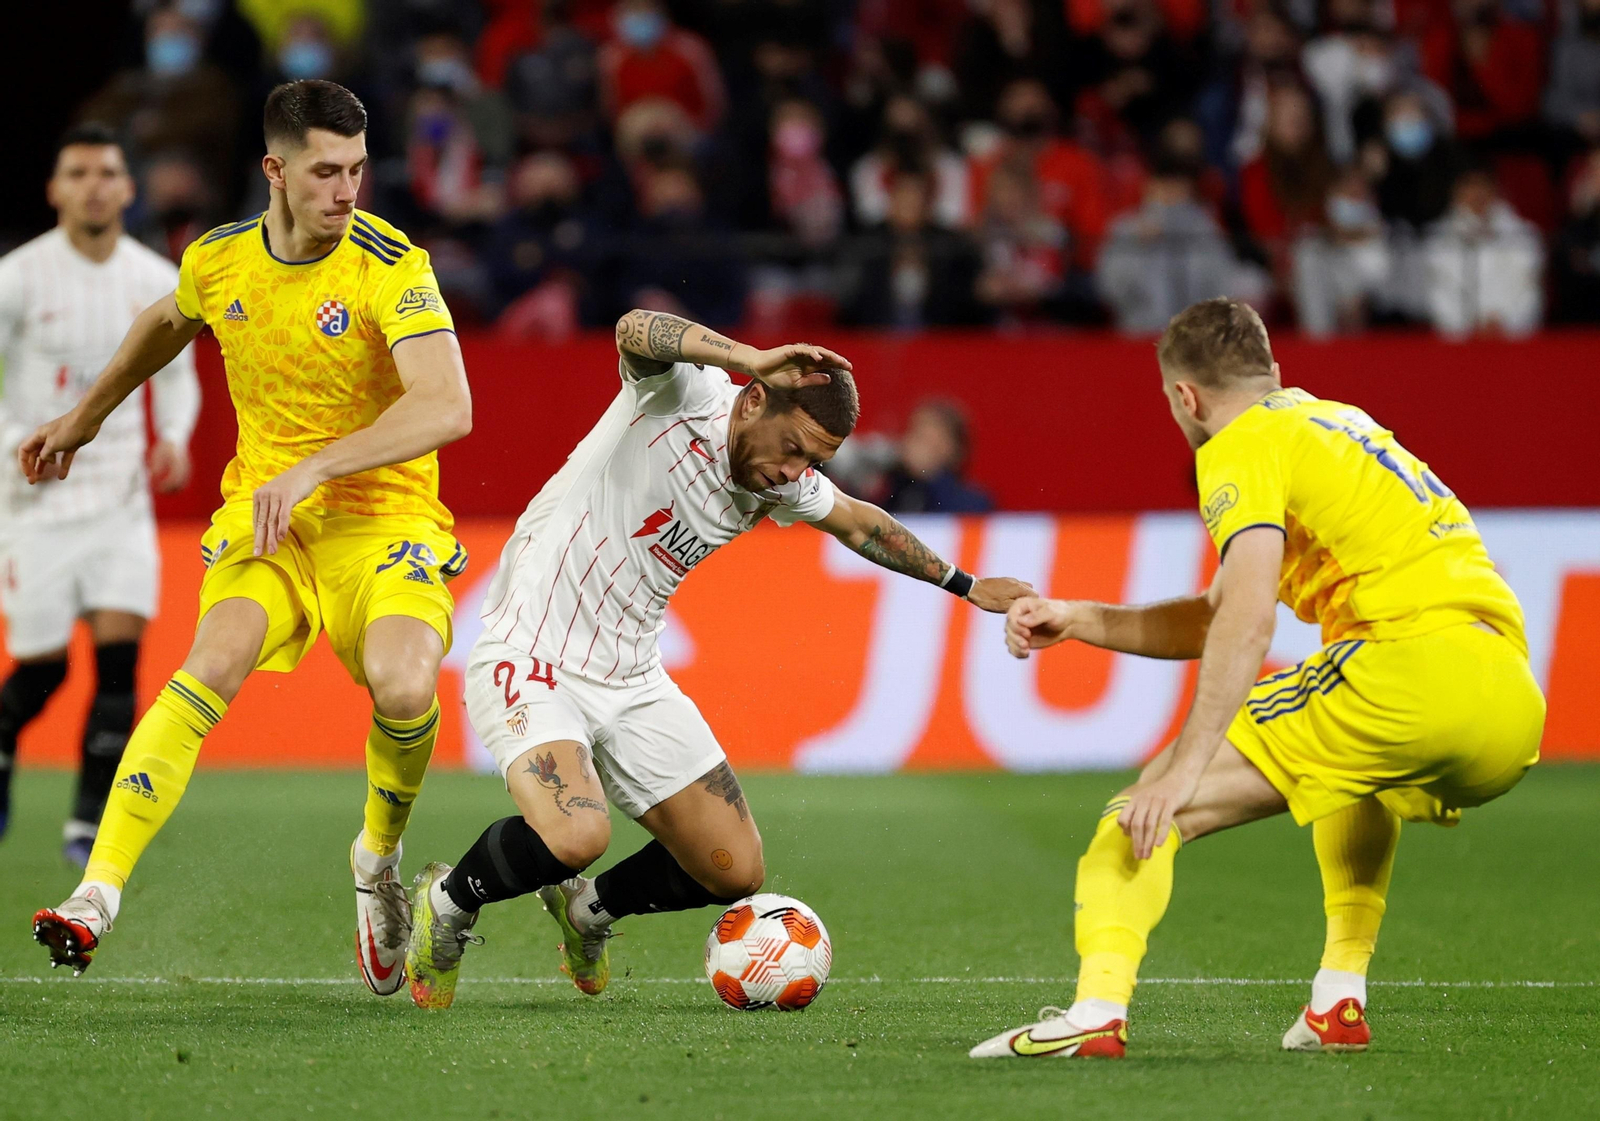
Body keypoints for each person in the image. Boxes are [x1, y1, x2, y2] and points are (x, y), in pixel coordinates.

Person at [403, 310, 1032, 1009]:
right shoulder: (683, 393)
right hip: (533, 649)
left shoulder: (779, 483)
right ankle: (449, 902)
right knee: (579, 831)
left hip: (633, 676)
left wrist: (967, 585)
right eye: (792, 447)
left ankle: (587, 913)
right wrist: (747, 353)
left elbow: (861, 522)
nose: (796, 471)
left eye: (813, 461)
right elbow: (633, 328)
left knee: (735, 868)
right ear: (756, 397)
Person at [970, 298, 1542, 1059]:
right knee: (1349, 776)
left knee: (1141, 810)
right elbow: (1215, 614)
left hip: (1404, 671)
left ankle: (1094, 1013)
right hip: (1507, 699)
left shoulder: (1239, 442)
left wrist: (1184, 770)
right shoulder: (1338, 422)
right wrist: (1079, 618)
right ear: (1273, 371)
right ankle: (1339, 995)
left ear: (1186, 397)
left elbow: (1246, 620)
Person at [21, 81, 474, 995]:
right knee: (208, 664)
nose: (347, 190)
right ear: (275, 169)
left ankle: (377, 861)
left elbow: (450, 404)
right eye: (324, 172)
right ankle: (95, 893)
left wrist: (316, 466)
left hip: (382, 522)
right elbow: (164, 323)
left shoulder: (391, 264)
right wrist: (87, 415)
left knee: (403, 680)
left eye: (357, 169)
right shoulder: (220, 259)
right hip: (268, 525)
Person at [0, 125, 200, 866]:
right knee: (44, 670)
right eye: (77, 171)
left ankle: (86, 824)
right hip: (33, 498)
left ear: (128, 188)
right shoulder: (18, 276)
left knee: (120, 664)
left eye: (106, 171)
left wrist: (174, 435)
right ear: (55, 189)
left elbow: (177, 371)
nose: (93, 184)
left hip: (118, 495)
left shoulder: (154, 276)